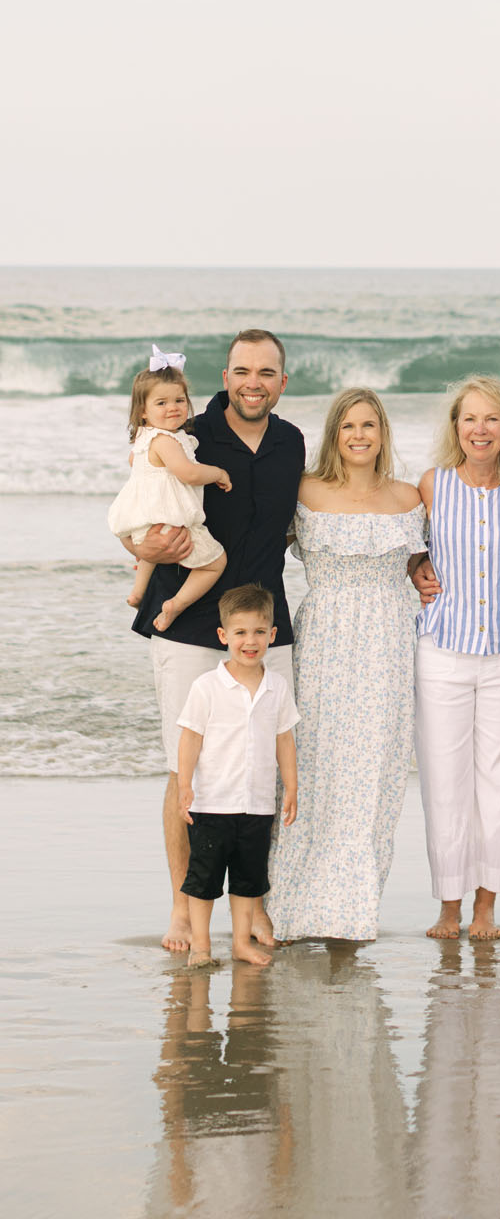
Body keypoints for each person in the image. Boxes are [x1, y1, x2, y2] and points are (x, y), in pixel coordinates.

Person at [125, 329, 304, 954]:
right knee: (189, 766)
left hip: (266, 627)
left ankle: (252, 911)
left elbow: (304, 524)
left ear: (284, 380)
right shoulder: (187, 434)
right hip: (192, 625)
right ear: (225, 377)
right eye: (241, 370)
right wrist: (138, 547)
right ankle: (183, 907)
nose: (253, 381)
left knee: (262, 773)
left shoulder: (292, 443)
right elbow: (138, 504)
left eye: (266, 371)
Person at [266, 387, 427, 942]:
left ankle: (349, 914)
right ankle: (286, 913)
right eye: (348, 426)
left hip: (387, 648)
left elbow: (446, 557)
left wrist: (422, 570)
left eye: (370, 426)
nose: (359, 435)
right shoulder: (305, 490)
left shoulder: (409, 498)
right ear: (334, 434)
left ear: (383, 434)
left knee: (372, 780)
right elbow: (256, 538)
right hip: (322, 643)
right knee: (310, 772)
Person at [412, 376, 500, 942]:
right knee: (444, 783)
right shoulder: (433, 485)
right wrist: (414, 568)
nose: (479, 429)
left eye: (492, 419)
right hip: (443, 652)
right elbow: (407, 545)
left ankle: (487, 907)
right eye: (469, 419)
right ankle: (450, 906)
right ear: (455, 426)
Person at [176, 584, 299, 969]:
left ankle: (242, 943)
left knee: (249, 881)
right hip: (213, 801)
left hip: (257, 803)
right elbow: (190, 737)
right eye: (241, 633)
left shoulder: (277, 687)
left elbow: (284, 740)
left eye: (260, 632)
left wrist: (291, 786)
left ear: (272, 635)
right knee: (204, 879)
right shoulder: (207, 687)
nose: (251, 641)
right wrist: (184, 784)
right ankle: (201, 945)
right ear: (223, 636)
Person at [108, 349, 231, 629]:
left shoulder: (144, 439)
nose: (173, 407)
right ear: (143, 411)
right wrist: (217, 473)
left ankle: (138, 592)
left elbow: (134, 464)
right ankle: (176, 604)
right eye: (161, 403)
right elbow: (188, 473)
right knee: (216, 563)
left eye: (179, 400)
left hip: (145, 521)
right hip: (171, 525)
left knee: (148, 554)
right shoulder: (166, 441)